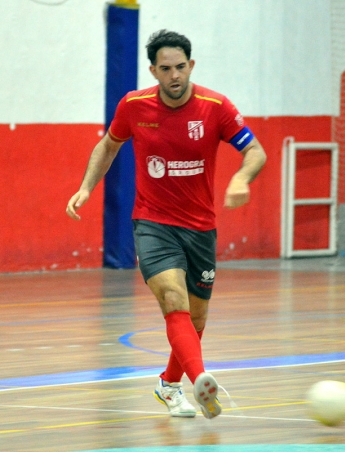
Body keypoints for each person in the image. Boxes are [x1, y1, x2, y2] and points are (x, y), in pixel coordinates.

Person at [66, 29, 266, 419]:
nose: (174, 75)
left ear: (191, 66)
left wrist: (242, 177)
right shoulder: (134, 105)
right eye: (165, 69)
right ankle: (200, 380)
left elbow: (254, 150)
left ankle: (169, 384)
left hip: (200, 227)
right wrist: (86, 187)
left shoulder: (215, 106)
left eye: (180, 67)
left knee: (197, 317)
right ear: (153, 71)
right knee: (173, 301)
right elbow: (108, 145)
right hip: (153, 222)